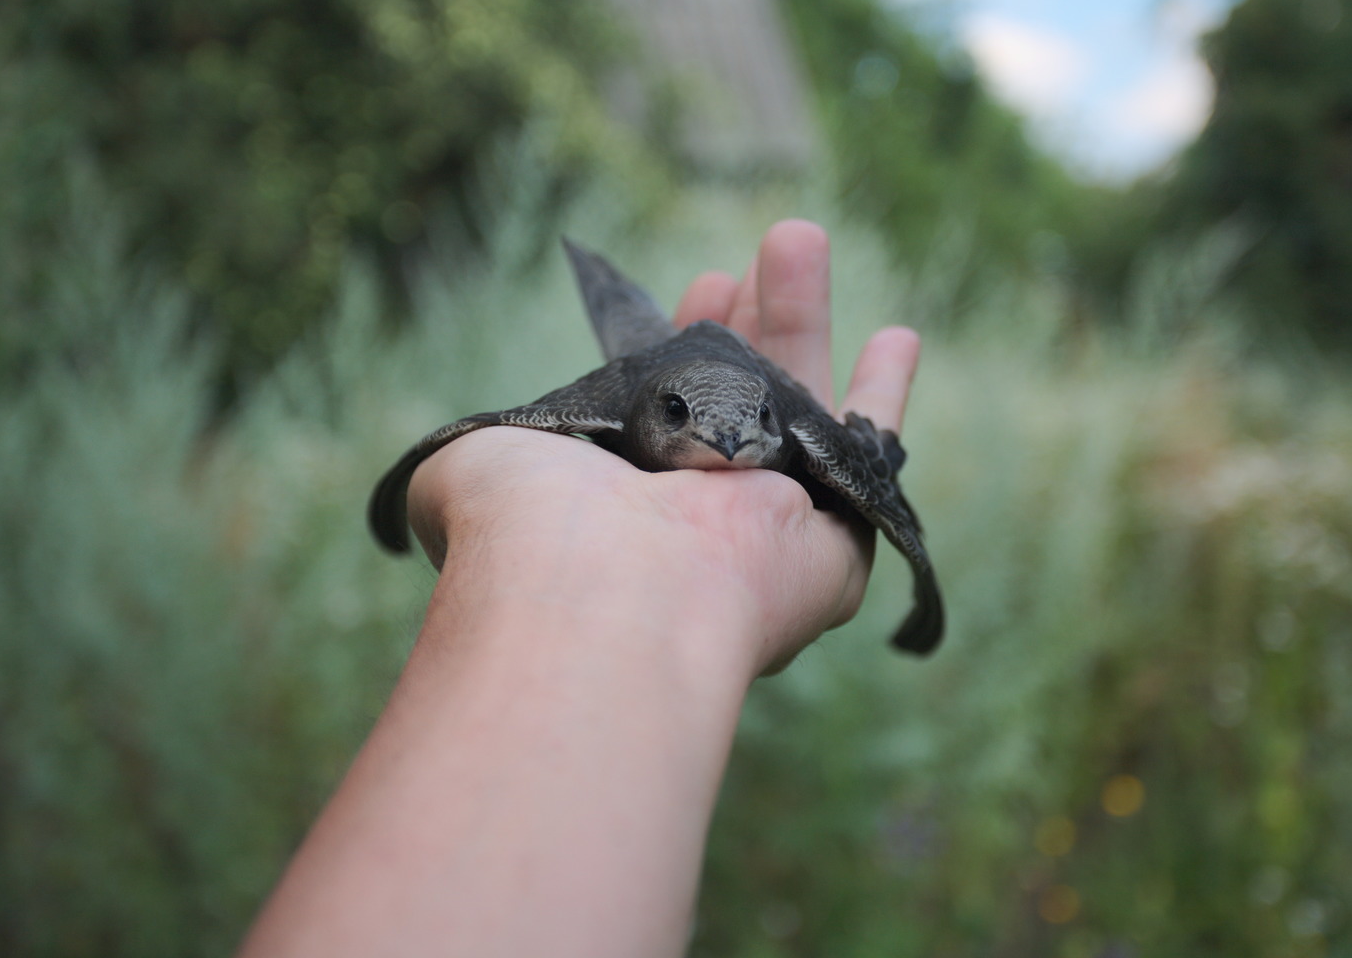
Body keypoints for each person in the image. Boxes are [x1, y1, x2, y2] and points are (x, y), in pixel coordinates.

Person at [237, 220, 923, 957]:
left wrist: (869, 496)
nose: (728, 443)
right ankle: (590, 264)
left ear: (771, 418)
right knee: (622, 320)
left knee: (850, 478)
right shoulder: (627, 393)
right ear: (657, 413)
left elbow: (789, 445)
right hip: (651, 367)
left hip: (721, 387)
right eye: (685, 421)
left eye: (752, 426)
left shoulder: (788, 424)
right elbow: (510, 427)